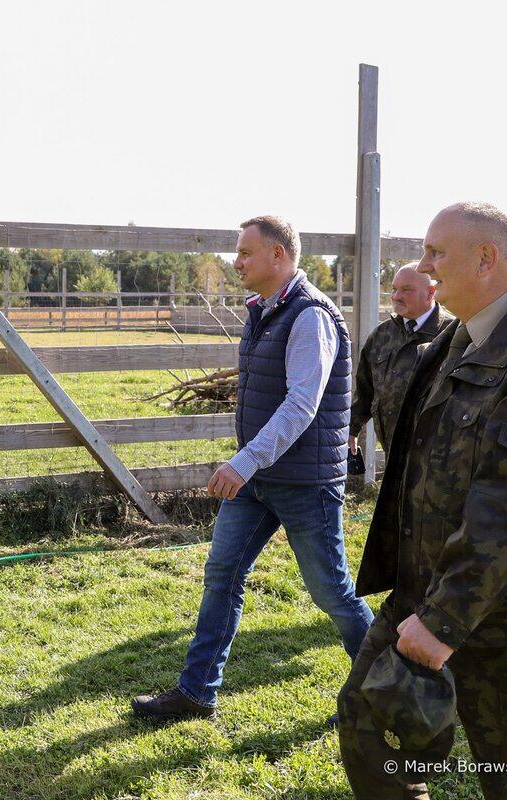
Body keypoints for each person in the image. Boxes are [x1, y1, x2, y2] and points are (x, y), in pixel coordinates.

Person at [337, 202, 507, 799]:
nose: (425, 268)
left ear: (487, 258)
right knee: (367, 730)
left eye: (436, 253)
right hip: (424, 597)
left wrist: (445, 620)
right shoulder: (458, 337)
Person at [131, 215, 374, 721]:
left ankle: (386, 690)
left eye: (245, 253)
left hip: (304, 481)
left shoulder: (310, 316)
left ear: (278, 256)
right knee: (222, 573)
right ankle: (197, 693)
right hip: (259, 479)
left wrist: (243, 462)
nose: (236, 262)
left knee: (332, 593)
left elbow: (302, 404)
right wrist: (251, 466)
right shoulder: (265, 310)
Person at [350, 265, 451, 454]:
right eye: (394, 289)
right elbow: (365, 391)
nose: (396, 296)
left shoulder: (451, 335)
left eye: (406, 290)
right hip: (391, 451)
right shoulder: (381, 335)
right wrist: (351, 428)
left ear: (431, 293)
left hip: (435, 456)